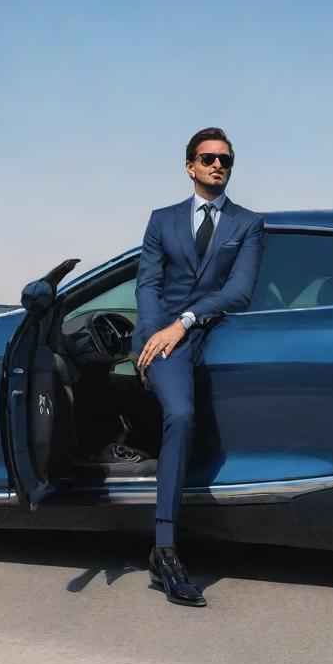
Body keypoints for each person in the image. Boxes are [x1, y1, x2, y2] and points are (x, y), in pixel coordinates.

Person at [134, 128, 264, 607]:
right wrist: (154, 334)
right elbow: (147, 284)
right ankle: (165, 549)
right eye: (208, 158)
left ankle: (164, 549)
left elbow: (240, 290)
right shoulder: (161, 220)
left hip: (210, 332)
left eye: (225, 160)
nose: (217, 166)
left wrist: (183, 323)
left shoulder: (248, 224)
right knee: (181, 415)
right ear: (190, 166)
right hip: (164, 342)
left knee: (190, 417)